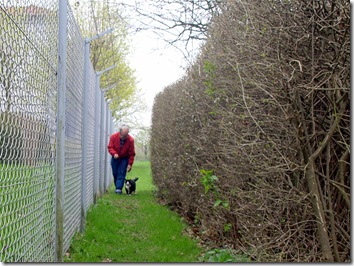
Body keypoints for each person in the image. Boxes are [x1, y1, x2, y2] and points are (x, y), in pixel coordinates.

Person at [107, 125, 136, 194]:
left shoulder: (130, 140)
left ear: (128, 134)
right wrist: (114, 154)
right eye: (122, 136)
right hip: (115, 157)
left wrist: (130, 164)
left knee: (122, 172)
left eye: (125, 136)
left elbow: (132, 153)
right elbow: (110, 147)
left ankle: (118, 188)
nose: (123, 138)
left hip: (124, 158)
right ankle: (117, 185)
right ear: (120, 132)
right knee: (115, 173)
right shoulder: (113, 137)